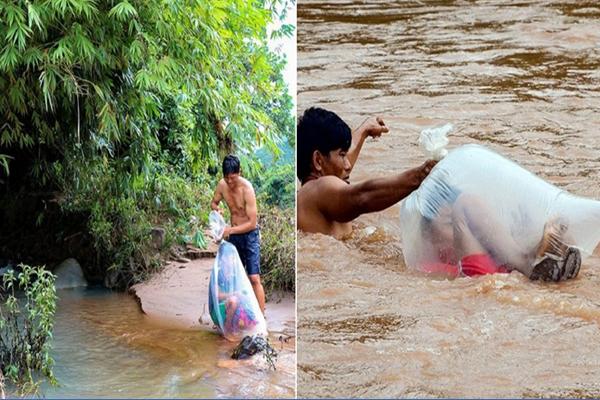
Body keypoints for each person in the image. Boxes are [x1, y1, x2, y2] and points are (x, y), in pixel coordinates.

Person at [297, 106, 437, 238]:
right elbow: (362, 196)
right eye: (342, 155)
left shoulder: (314, 195)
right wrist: (422, 174)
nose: (348, 165)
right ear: (318, 160)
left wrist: (365, 129)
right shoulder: (319, 189)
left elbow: (343, 159)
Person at [420, 188, 581, 281]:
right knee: (465, 202)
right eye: (450, 223)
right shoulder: (429, 267)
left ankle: (541, 264)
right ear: (431, 238)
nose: (457, 229)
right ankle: (528, 263)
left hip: (508, 276)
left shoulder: (496, 247)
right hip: (479, 276)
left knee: (562, 235)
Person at [211, 155, 265, 314]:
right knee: (234, 278)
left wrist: (230, 230)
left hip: (249, 236)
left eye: (233, 178)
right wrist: (217, 209)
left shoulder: (247, 189)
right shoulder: (222, 186)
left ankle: (261, 316)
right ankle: (236, 314)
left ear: (239, 173)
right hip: (234, 237)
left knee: (254, 278)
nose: (230, 182)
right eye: (227, 178)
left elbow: (252, 223)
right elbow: (214, 202)